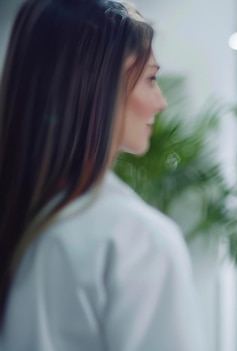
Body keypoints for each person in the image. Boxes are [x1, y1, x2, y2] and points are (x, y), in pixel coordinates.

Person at [0, 0, 208, 350]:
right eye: (150, 79)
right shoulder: (136, 239)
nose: (161, 102)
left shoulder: (23, 215)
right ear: (100, 84)